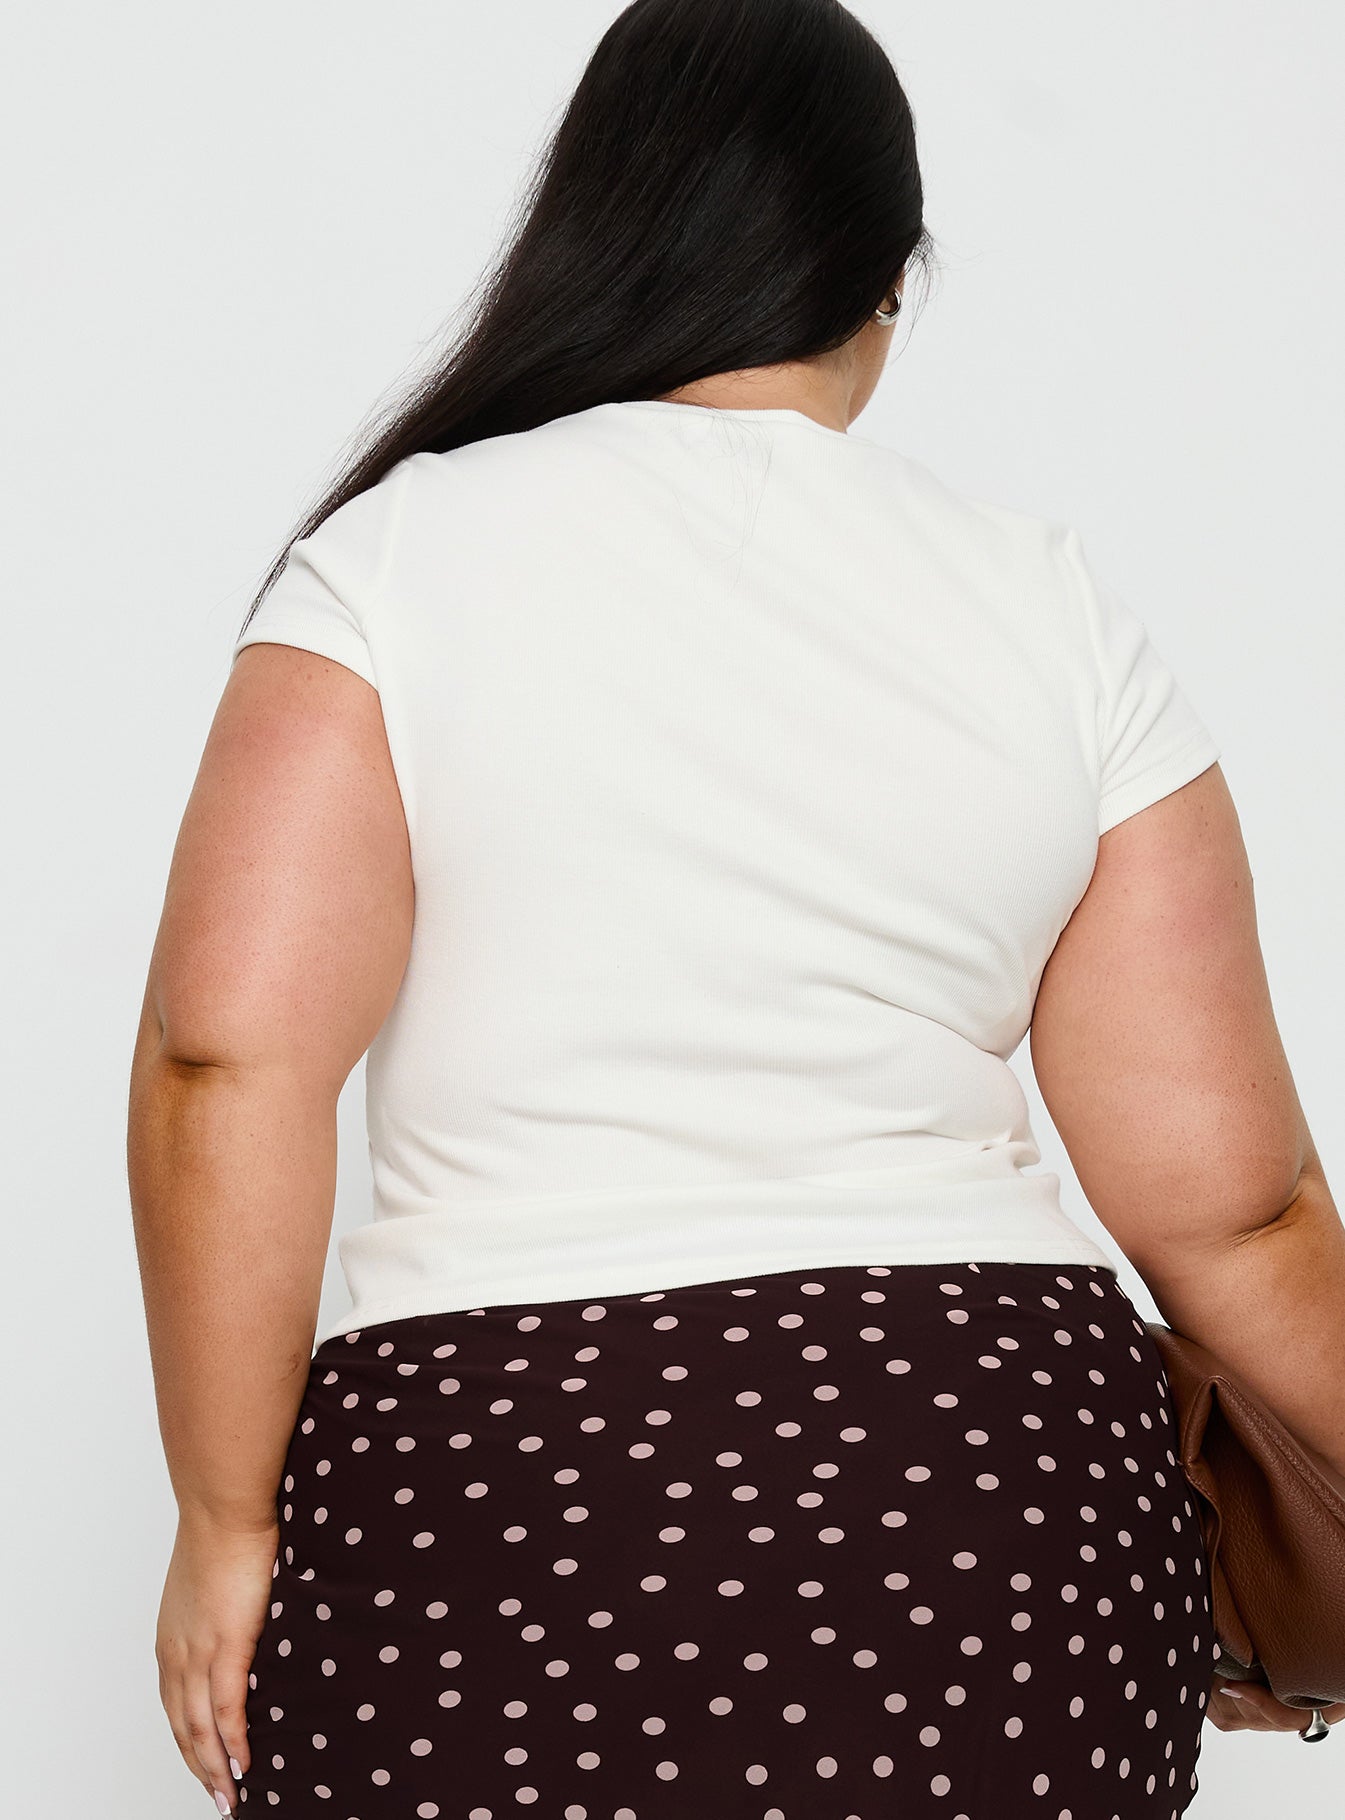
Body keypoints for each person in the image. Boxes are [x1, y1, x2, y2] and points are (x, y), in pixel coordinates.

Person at [128, 0, 1345, 1814]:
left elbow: (226, 1057)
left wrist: (226, 1521)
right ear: (887, 284)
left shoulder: (390, 564)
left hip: (499, 1493)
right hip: (989, 1493)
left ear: (591, 226)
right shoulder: (1049, 606)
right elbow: (1232, 1210)